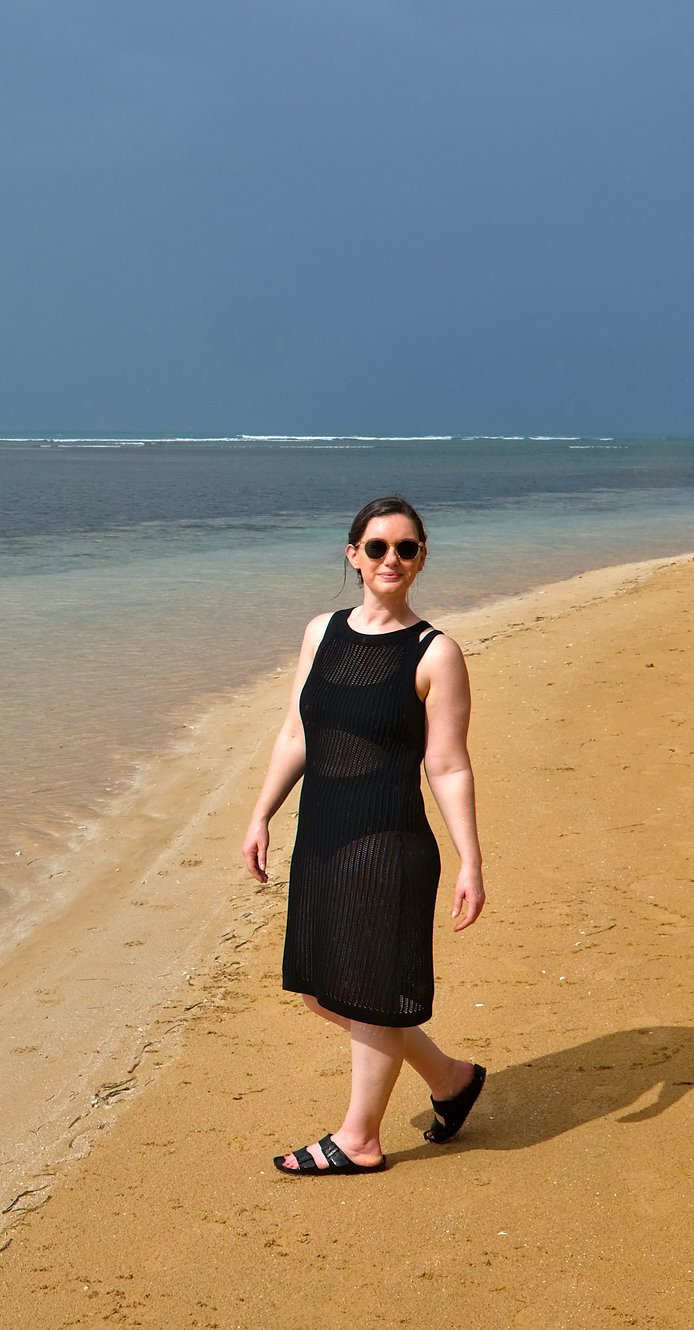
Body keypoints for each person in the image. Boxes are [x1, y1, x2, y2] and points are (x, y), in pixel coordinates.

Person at [239, 495, 487, 1175]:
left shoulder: (436, 652)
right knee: (326, 990)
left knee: (370, 989)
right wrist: (260, 812)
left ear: (421, 560)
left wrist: (470, 858)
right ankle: (451, 1079)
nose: (391, 560)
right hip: (321, 835)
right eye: (377, 547)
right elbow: (296, 732)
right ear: (353, 554)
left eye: (406, 548)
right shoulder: (322, 632)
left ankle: (360, 1137)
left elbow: (448, 762)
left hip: (388, 843)